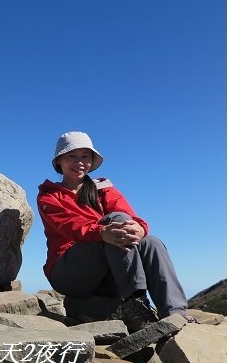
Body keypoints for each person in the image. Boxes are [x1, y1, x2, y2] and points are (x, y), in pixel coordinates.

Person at [37, 131, 195, 332]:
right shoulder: (49, 196)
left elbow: (128, 215)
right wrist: (102, 232)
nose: (80, 162)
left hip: (109, 271)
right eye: (72, 156)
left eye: (85, 156)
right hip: (69, 272)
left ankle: (174, 314)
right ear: (59, 161)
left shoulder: (102, 188)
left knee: (151, 242)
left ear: (92, 161)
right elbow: (70, 226)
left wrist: (140, 228)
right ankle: (136, 304)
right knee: (115, 221)